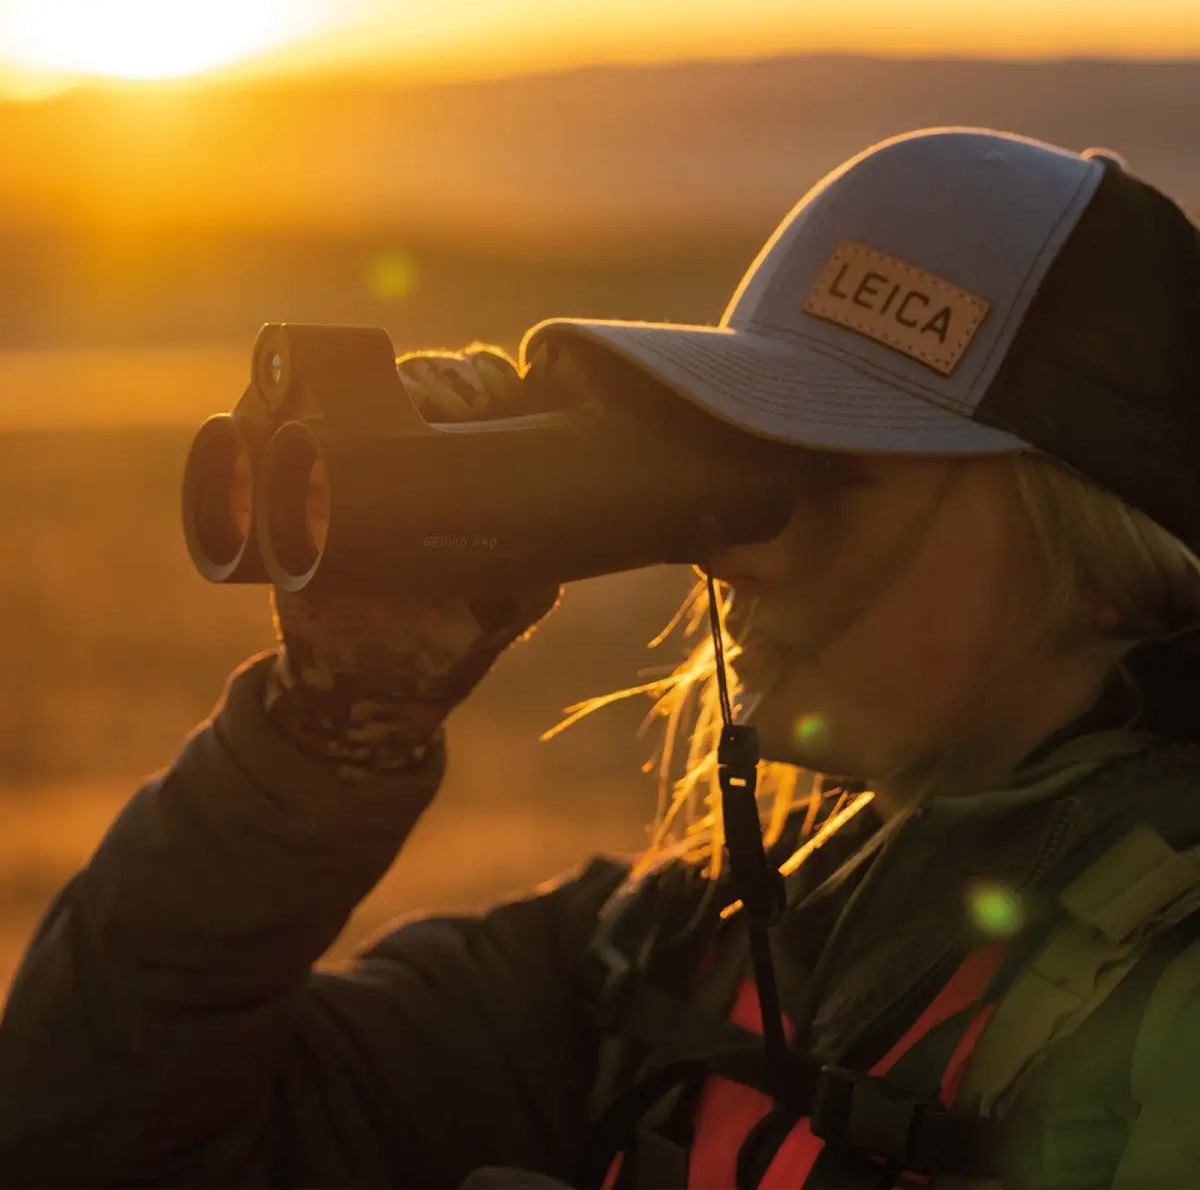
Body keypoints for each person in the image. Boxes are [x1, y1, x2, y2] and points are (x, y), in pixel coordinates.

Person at [2, 126, 1200, 1190]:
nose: (739, 556)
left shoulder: (1166, 991)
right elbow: (82, 1137)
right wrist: (329, 733)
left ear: (1099, 563)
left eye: (816, 481)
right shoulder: (683, 943)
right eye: (731, 469)